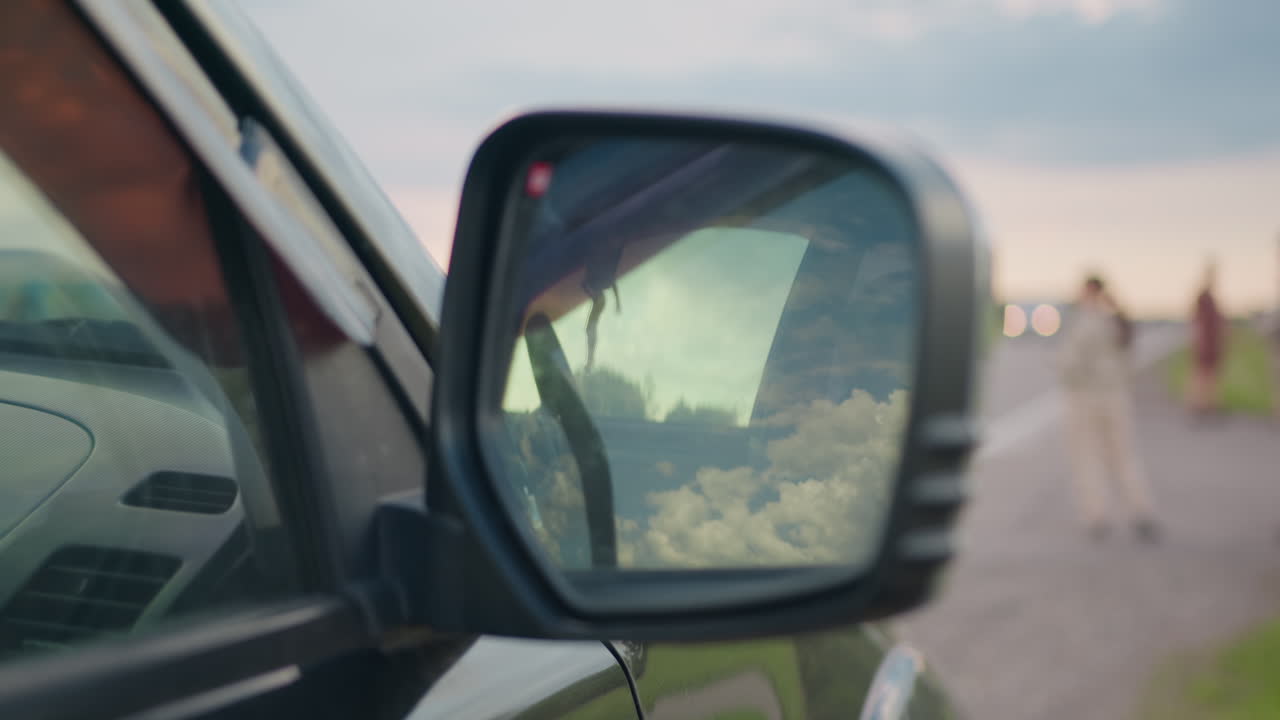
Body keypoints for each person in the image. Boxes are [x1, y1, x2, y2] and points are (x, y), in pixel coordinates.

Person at [1058, 274, 1160, 541]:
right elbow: (1129, 356)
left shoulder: (1086, 320)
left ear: (1088, 290)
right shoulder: (1117, 319)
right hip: (1116, 395)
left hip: (1086, 397)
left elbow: (1071, 362)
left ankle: (1096, 514)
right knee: (1123, 455)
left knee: (1087, 456)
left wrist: (1060, 368)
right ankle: (1141, 510)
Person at [1189, 260, 1226, 416]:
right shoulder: (1203, 296)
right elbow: (1197, 320)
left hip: (1212, 341)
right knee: (1202, 374)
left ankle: (1209, 405)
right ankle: (1200, 405)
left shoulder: (1210, 296)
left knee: (1211, 375)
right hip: (1205, 342)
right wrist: (1199, 339)